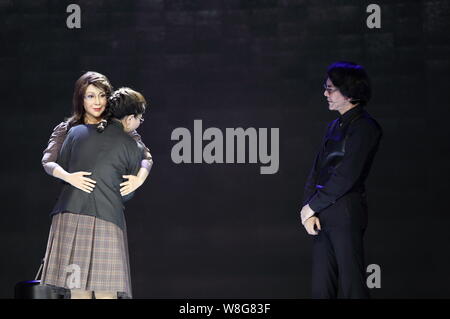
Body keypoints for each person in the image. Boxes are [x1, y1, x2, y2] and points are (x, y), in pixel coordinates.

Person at [40, 87, 148, 299]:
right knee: (105, 294)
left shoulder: (75, 132)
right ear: (129, 119)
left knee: (78, 293)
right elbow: (126, 192)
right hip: (106, 219)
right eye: (140, 119)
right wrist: (135, 180)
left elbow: (62, 163)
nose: (139, 124)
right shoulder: (131, 145)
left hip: (69, 217)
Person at [299, 61, 382, 299]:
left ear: (350, 91)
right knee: (321, 287)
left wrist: (312, 206)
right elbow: (317, 170)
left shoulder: (366, 127)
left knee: (351, 285)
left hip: (345, 212)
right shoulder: (332, 126)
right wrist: (309, 209)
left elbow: (347, 175)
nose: (325, 94)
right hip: (322, 212)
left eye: (330, 89)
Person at [41, 71, 152, 198]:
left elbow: (147, 158)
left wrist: (139, 180)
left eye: (102, 95)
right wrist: (68, 177)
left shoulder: (120, 127)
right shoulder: (66, 129)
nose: (98, 102)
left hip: (108, 201)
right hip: (76, 200)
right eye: (90, 96)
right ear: (81, 99)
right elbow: (47, 162)